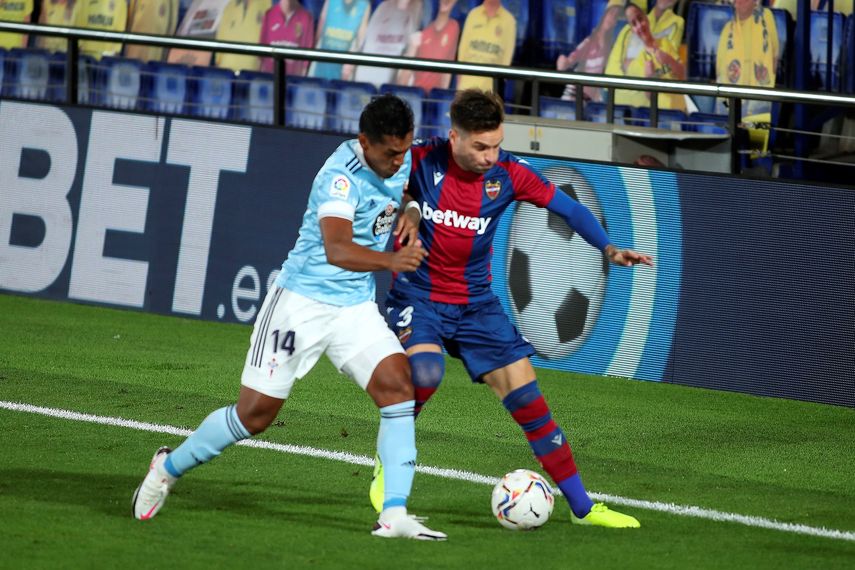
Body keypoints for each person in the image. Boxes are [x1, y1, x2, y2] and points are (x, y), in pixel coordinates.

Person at [132, 94, 447, 541]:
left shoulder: (399, 158)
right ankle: (168, 467)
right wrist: (392, 263)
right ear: (364, 142)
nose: (401, 160)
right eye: (391, 153)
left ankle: (393, 513)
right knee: (254, 415)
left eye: (406, 149)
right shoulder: (340, 177)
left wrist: (411, 211)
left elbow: (407, 188)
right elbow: (337, 249)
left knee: (399, 389)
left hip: (354, 307)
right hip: (301, 304)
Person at [369, 89, 653, 529]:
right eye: (480, 146)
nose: (490, 156)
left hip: (477, 306)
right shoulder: (421, 158)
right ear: (454, 137)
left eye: (496, 144)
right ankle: (389, 466)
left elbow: (570, 209)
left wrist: (609, 247)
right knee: (425, 373)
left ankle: (584, 508)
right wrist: (407, 207)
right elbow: (393, 190)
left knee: (530, 402)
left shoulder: (509, 174)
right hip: (418, 297)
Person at [607, 1, 686, 111]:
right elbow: (649, 96)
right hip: (659, 116)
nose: (639, 26)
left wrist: (666, 59)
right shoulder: (635, 63)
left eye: (640, 19)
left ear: (647, 19)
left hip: (679, 112)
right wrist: (651, 76)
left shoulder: (666, 44)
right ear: (632, 31)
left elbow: (683, 74)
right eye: (634, 24)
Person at [716, 0, 778, 116]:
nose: (738, 2)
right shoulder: (727, 30)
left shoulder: (766, 18)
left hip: (759, 99)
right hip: (730, 101)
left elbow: (775, 59)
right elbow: (720, 74)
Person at [555, 1, 623, 102]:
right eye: (611, 13)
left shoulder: (614, 47)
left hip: (594, 100)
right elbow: (569, 62)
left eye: (616, 16)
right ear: (604, 14)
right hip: (575, 95)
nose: (613, 19)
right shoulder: (588, 42)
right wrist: (564, 63)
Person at [345, 0, 422, 87]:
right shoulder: (382, 7)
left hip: (390, 90)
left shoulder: (419, 9)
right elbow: (366, 44)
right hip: (364, 85)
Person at [396, 0, 460, 93]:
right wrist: (412, 50)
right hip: (417, 94)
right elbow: (402, 83)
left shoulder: (454, 27)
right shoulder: (423, 33)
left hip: (435, 97)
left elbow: (447, 73)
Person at [455, 0, 516, 92]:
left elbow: (506, 62)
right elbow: (462, 53)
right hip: (465, 88)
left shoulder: (509, 21)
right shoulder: (473, 14)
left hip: (490, 92)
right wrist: (459, 87)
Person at [309, 0, 371, 80]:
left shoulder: (364, 5)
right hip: (322, 66)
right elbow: (319, 32)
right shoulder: (330, 1)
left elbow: (361, 42)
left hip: (343, 72)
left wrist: (352, 62)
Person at [259, 0, 315, 76]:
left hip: (293, 82)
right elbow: (261, 59)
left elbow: (305, 64)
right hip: (269, 80)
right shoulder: (269, 15)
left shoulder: (307, 18)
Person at [214, 0, 271, 72]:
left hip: (252, 71)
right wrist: (217, 62)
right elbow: (221, 36)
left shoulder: (268, 4)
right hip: (226, 69)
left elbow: (271, 38)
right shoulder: (230, 5)